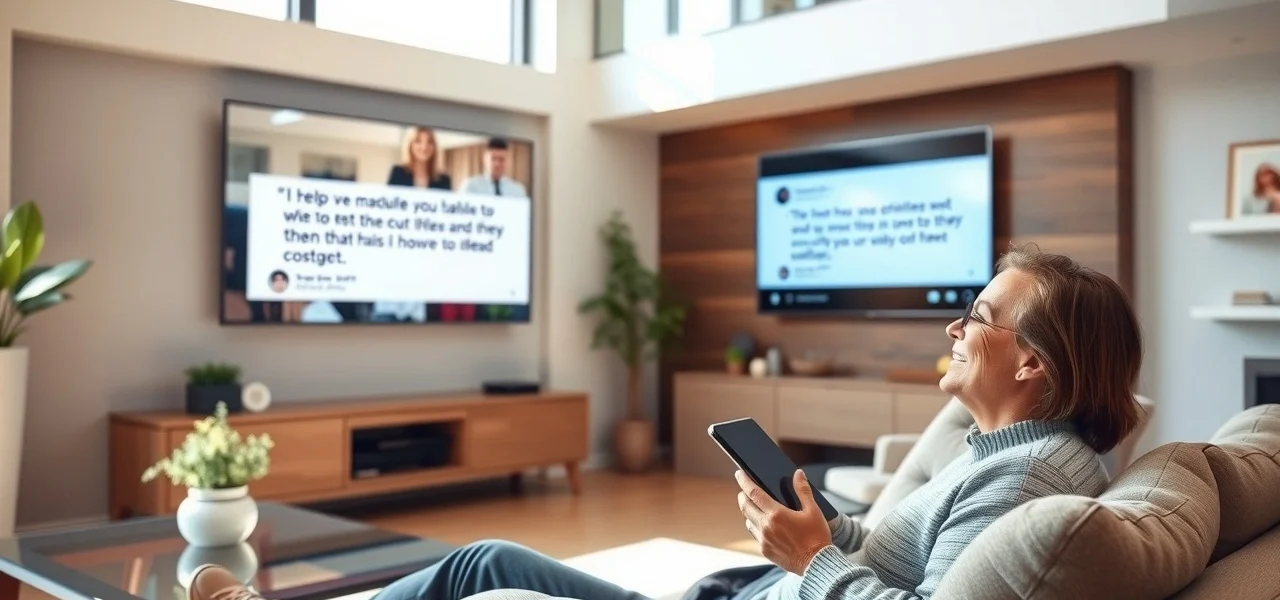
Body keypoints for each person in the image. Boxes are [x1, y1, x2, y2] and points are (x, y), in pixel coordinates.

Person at [185, 245, 1144, 600]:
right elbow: (900, 562)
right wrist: (818, 521)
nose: (955, 325)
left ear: (1031, 362)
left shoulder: (1025, 481)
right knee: (484, 563)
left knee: (480, 563)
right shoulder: (1008, 457)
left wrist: (809, 559)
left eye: (976, 314)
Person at [387, 126, 453, 190]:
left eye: (429, 142)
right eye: (418, 141)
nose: (424, 147)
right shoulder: (398, 173)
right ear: (410, 145)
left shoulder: (444, 180)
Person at [461, 138, 527, 197]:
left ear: (508, 161)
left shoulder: (518, 190)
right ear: (485, 159)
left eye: (501, 159)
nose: (497, 164)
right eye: (493, 159)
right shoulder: (470, 186)